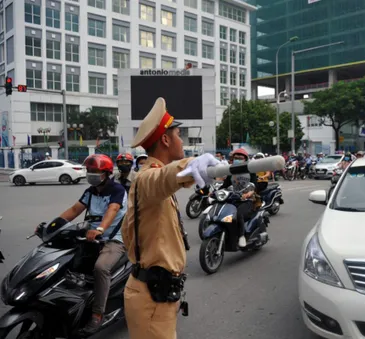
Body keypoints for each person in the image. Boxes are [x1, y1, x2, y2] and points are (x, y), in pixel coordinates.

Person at [121, 97, 219, 339]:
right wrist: (192, 163)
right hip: (152, 296)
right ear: (165, 139)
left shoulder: (151, 181)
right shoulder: (147, 179)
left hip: (159, 292)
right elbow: (164, 178)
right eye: (178, 134)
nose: (181, 141)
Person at [46, 154, 128, 335]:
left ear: (106, 173)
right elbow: (75, 210)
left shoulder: (117, 190)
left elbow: (112, 210)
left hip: (115, 239)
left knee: (100, 268)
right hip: (91, 237)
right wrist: (52, 226)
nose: (91, 174)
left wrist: (99, 229)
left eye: (95, 171)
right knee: (66, 260)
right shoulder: (91, 191)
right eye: (89, 170)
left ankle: (97, 314)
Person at [220, 148, 257, 248]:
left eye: (240, 158)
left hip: (246, 200)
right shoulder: (231, 172)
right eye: (236, 158)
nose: (238, 159)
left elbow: (254, 186)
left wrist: (249, 193)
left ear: (245, 159)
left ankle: (241, 236)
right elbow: (224, 185)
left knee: (238, 214)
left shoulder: (250, 171)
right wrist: (214, 192)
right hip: (233, 199)